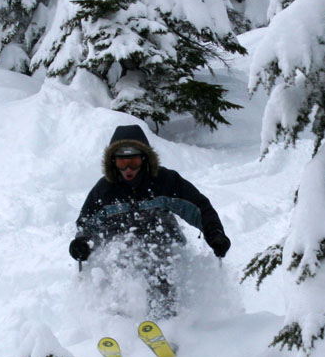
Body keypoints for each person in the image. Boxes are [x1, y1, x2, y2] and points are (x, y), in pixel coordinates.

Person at [69, 124, 231, 317]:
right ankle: (118, 319)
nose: (128, 169)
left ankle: (165, 317)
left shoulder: (165, 181)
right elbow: (87, 222)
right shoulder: (105, 190)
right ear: (113, 162)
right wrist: (82, 242)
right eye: (122, 163)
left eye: (134, 162)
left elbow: (199, 207)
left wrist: (214, 234)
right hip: (119, 244)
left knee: (157, 260)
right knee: (117, 260)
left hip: (161, 241)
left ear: (145, 160)